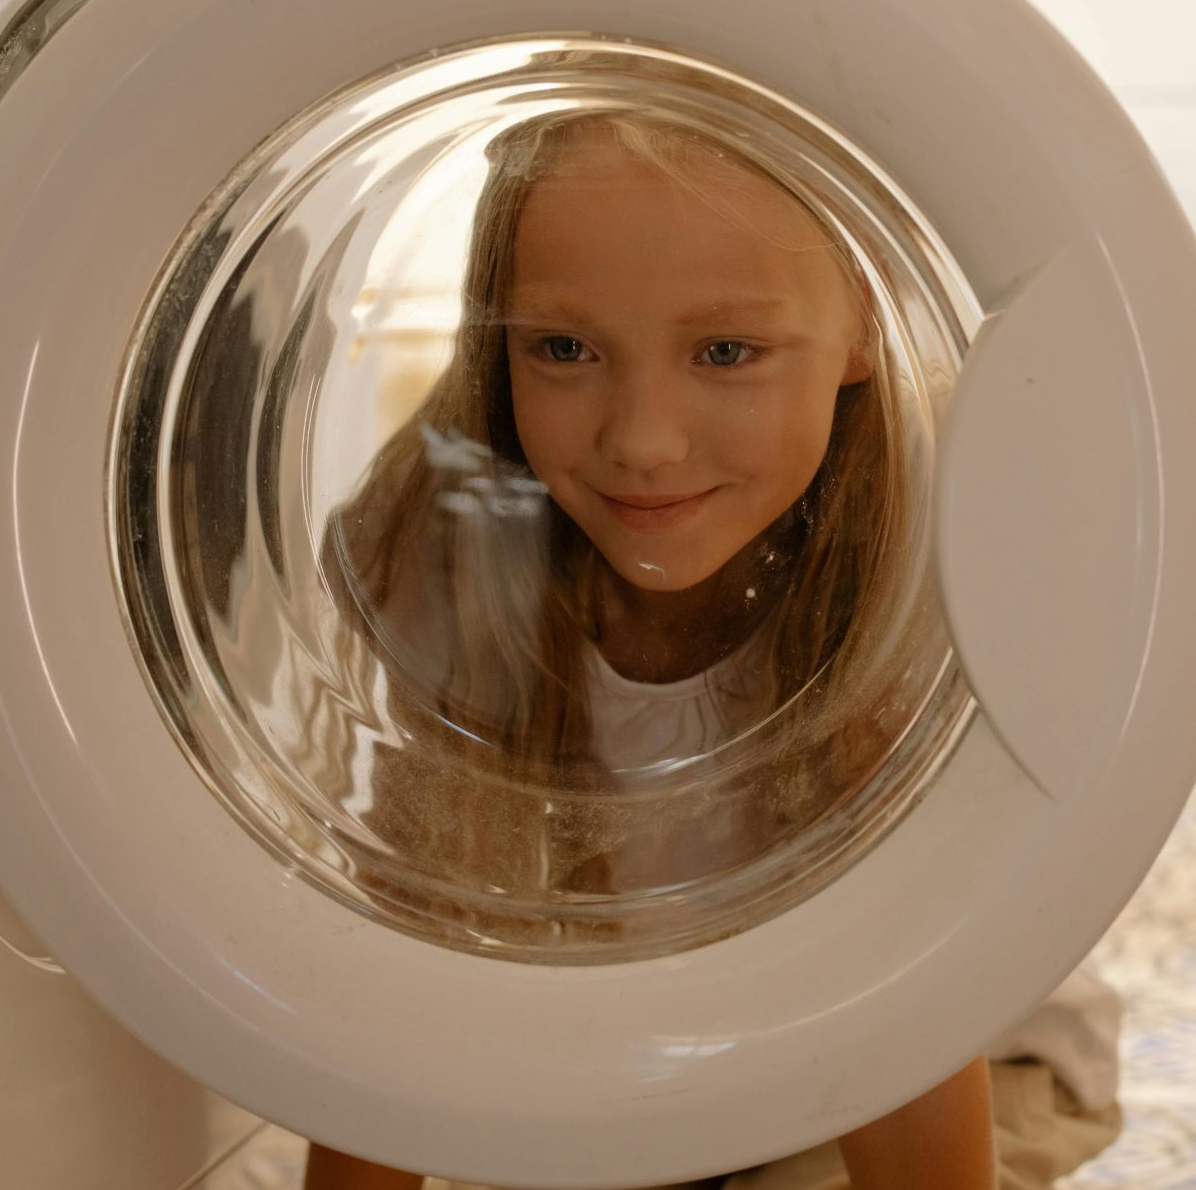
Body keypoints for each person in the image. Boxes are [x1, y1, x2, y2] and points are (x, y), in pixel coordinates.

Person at [302, 109, 1119, 1190]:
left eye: (726, 351)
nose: (641, 440)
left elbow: (897, 1007)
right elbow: (416, 968)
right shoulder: (442, 538)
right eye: (563, 348)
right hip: (641, 1055)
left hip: (955, 1060)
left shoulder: (924, 556)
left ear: (866, 328)